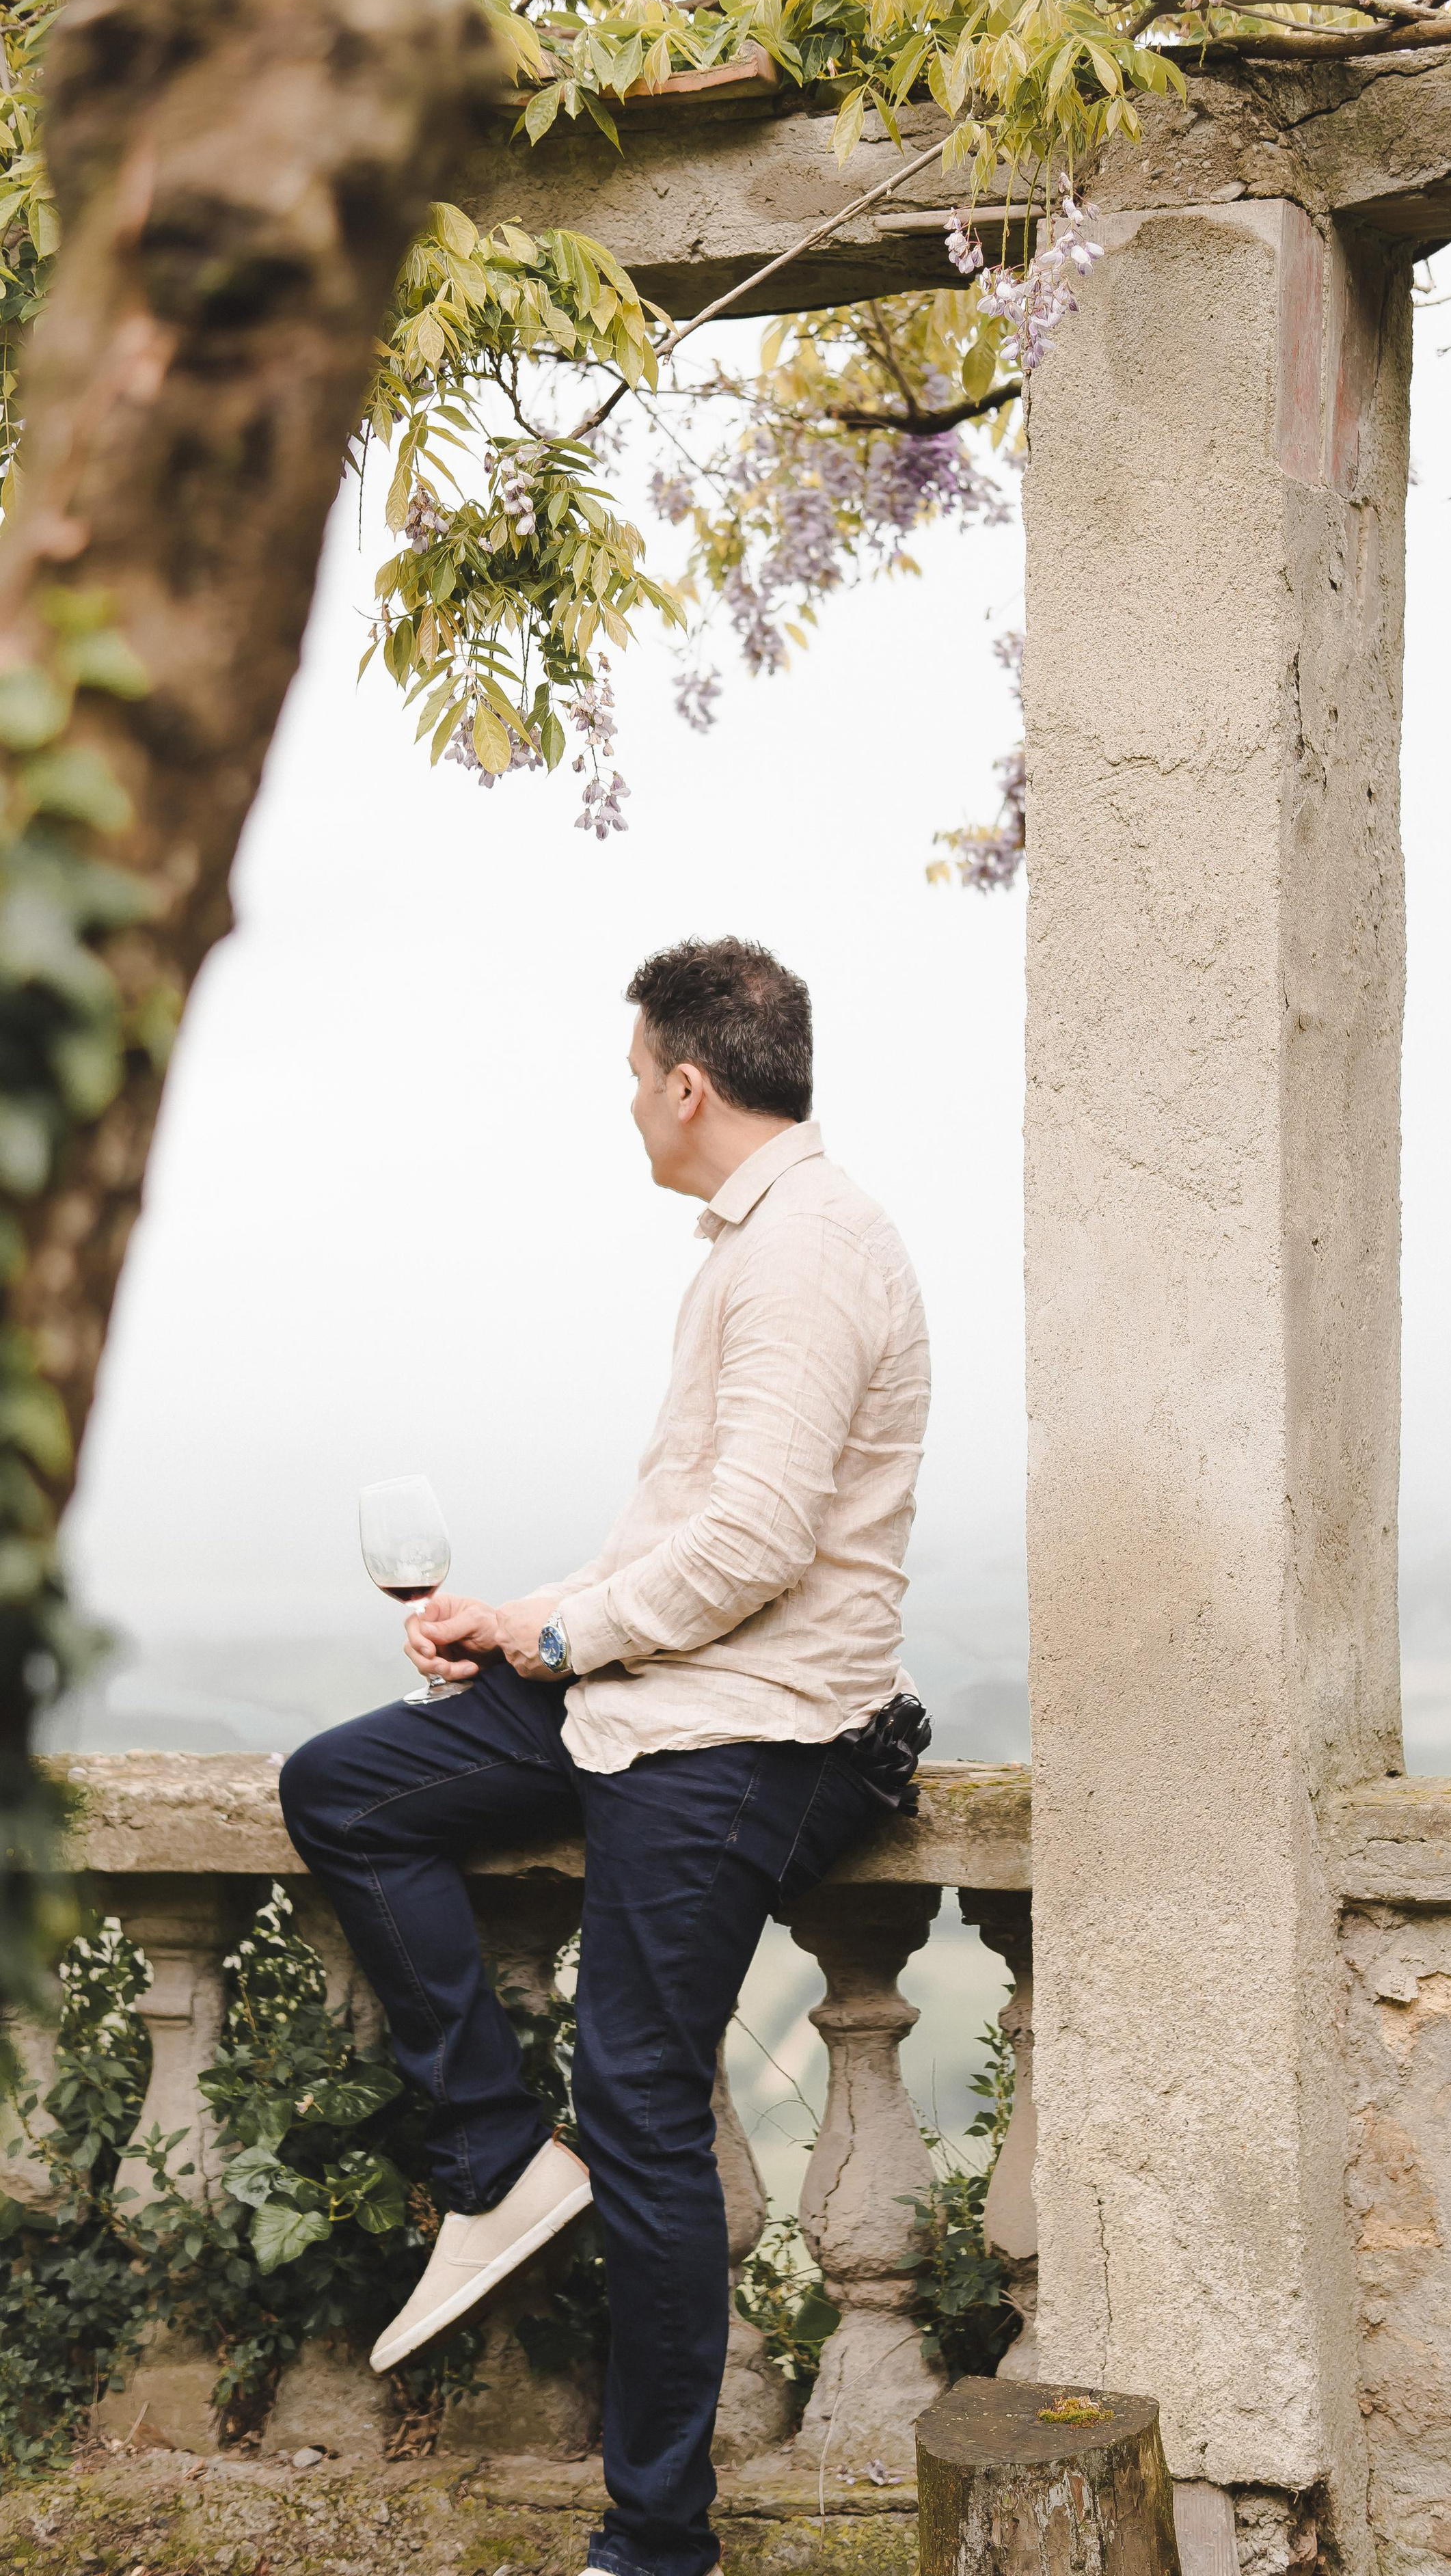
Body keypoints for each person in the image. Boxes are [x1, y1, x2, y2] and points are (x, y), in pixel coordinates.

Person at [279, 936, 931, 2576]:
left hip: (745, 1732)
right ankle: (494, 2161)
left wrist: (565, 1643)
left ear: (687, 1084)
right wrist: (520, 1615)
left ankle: (656, 2540)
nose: (630, 1103)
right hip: (647, 1694)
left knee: (639, 2100)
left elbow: (759, 1548)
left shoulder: (804, 1256)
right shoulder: (761, 1241)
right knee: (347, 1788)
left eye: (636, 1075)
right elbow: (685, 1532)